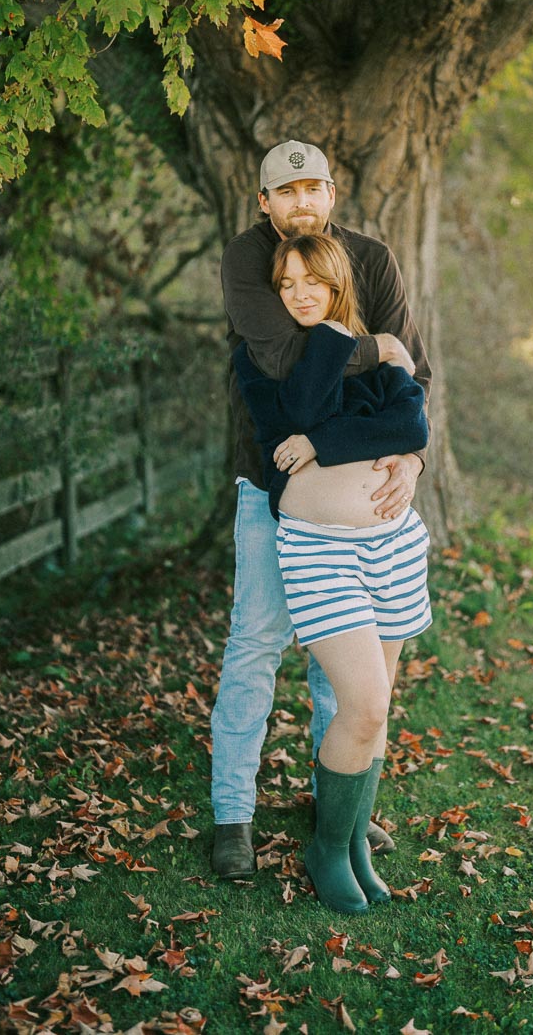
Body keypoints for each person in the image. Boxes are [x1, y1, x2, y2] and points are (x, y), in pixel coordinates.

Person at [211, 139, 431, 881]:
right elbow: (281, 361)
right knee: (258, 643)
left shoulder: (370, 258)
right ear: (264, 203)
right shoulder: (251, 262)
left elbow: (418, 370)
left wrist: (410, 453)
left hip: (361, 499)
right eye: (285, 190)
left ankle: (336, 812)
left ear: (331, 196)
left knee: (341, 672)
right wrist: (376, 351)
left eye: (313, 188)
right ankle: (232, 814)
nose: (301, 202)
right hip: (268, 489)